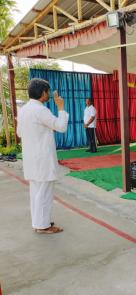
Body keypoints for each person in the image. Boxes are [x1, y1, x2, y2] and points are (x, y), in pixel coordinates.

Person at [17, 78, 69, 234]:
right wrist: (61, 108)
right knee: (44, 193)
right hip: (42, 159)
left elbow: (19, 132)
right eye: (47, 92)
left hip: (31, 159)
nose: (48, 95)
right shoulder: (41, 110)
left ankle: (39, 222)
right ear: (42, 93)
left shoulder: (24, 109)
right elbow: (60, 127)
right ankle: (43, 225)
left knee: (36, 192)